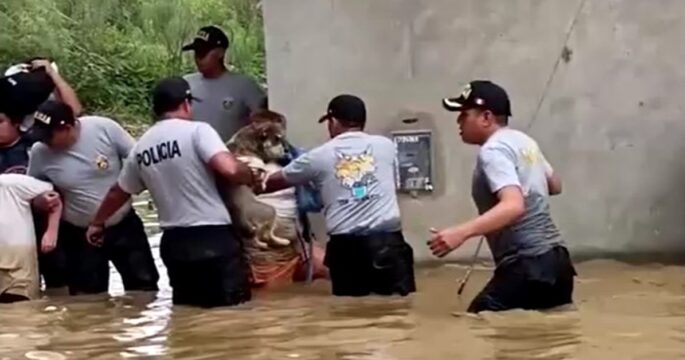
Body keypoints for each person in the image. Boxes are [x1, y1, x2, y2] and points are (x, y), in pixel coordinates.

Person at [87, 77, 255, 308]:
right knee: (232, 312)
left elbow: (118, 192)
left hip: (174, 244)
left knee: (187, 314)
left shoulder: (141, 147)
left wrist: (97, 223)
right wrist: (252, 175)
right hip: (212, 236)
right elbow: (229, 168)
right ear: (186, 103)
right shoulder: (198, 131)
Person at [429, 80, 576, 313]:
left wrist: (460, 233)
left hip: (527, 263)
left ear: (486, 117)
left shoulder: (493, 151)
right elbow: (554, 184)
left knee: (477, 323)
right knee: (545, 338)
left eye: (464, 114)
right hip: (557, 262)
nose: (458, 121)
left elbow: (514, 206)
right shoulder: (524, 142)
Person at [258, 94, 416, 297]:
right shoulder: (387, 146)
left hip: (347, 251)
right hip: (390, 244)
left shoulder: (317, 157)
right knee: (399, 311)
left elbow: (272, 183)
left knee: (350, 315)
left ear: (332, 122)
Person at [27, 100, 159, 296]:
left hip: (123, 226)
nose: (44, 141)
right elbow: (33, 192)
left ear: (68, 127)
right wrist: (41, 202)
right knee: (87, 302)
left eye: (49, 136)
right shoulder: (40, 152)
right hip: (78, 235)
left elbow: (139, 162)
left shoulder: (104, 128)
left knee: (144, 289)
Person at [181, 25, 267, 142]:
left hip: (231, 157)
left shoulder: (244, 86)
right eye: (196, 53)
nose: (198, 58)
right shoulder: (185, 84)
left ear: (220, 53)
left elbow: (265, 123)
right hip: (194, 157)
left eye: (203, 53)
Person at [0, 173, 62, 303]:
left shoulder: (11, 183)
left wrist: (51, 232)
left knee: (24, 311)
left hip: (18, 269)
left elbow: (54, 199)